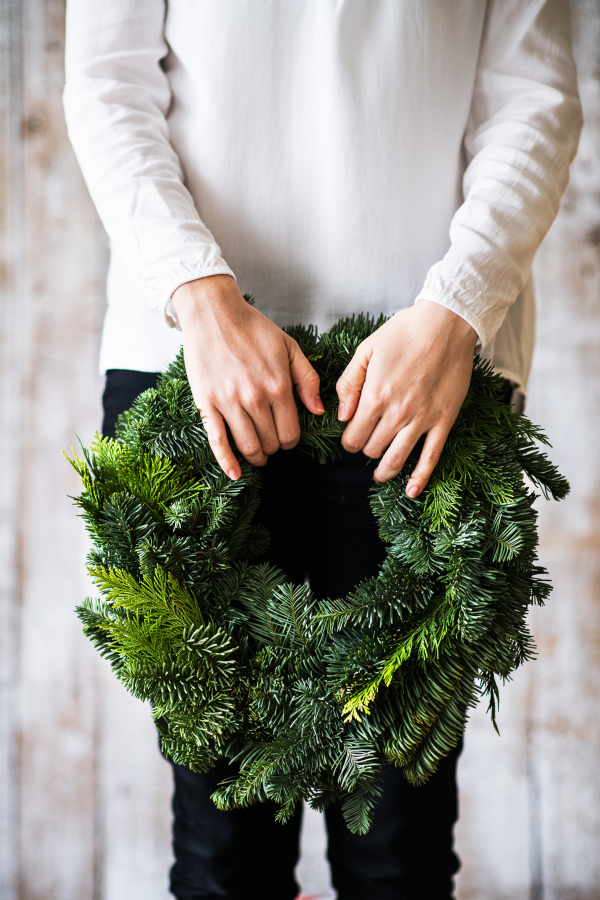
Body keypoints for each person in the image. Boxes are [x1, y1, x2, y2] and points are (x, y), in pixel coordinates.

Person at [64, 2, 582, 898]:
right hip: (191, 360)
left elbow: (534, 96)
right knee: (223, 849)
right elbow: (108, 81)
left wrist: (456, 307)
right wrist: (200, 294)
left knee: (399, 849)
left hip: (420, 369)